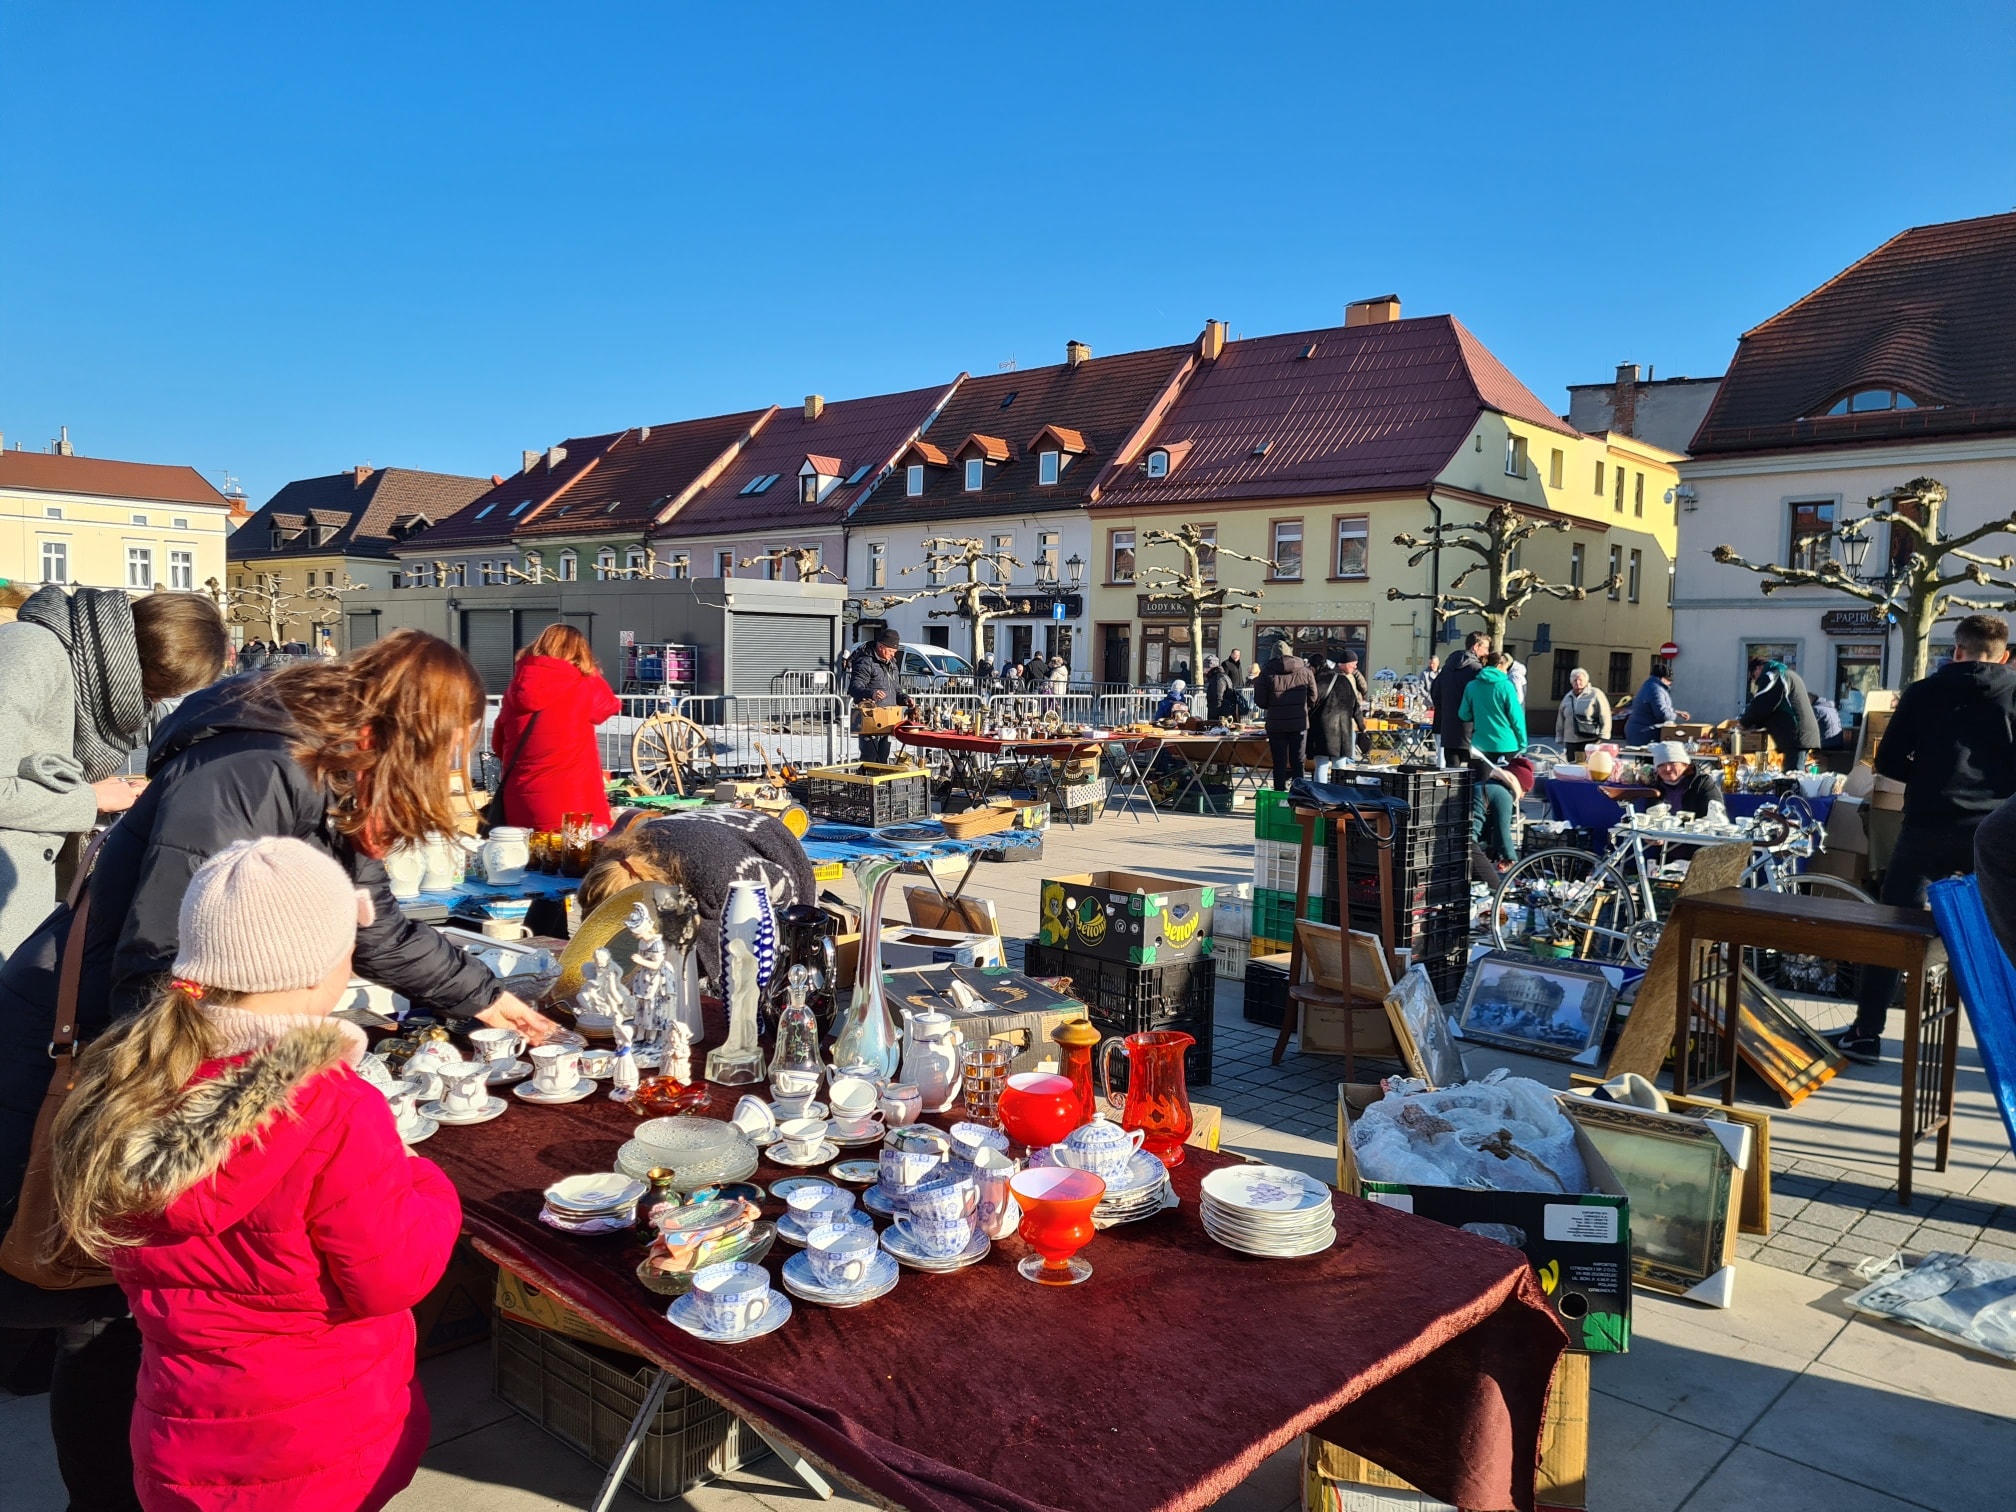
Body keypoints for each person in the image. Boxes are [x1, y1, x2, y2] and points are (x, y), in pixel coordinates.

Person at [0, 630, 556, 1512]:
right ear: (416, 727)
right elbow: (158, 961)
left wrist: (481, 994)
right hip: (98, 1044)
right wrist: (246, 1094)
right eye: (453, 745)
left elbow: (359, 921)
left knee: (169, 1304)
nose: (456, 768)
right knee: (107, 1310)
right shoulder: (256, 765)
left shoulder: (328, 773)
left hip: (166, 1048)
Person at [49, 837, 460, 1512]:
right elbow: (394, 1275)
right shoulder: (333, 1110)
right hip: (317, 1442)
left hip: (184, 1436)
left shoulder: (133, 1080)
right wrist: (426, 1181)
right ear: (317, 969)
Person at [0, 589, 228, 961]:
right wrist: (91, 799)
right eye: (156, 690)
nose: (150, 703)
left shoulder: (79, 670)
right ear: (139, 662)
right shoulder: (31, 653)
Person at [1837, 614, 2016, 1065]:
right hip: (1995, 832)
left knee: (1895, 927)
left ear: (1955, 650)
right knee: (2004, 934)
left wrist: (1929, 772)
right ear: (2005, 656)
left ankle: (1866, 1031)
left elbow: (1891, 762)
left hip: (1927, 826)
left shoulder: (1924, 692)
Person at [580, 809, 818, 989]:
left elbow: (717, 948)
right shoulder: (615, 861)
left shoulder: (720, 878)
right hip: (705, 842)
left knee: (749, 964)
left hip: (768, 845)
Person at [490, 624, 621, 831]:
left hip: (520, 799)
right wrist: (590, 671)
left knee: (528, 860)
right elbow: (608, 706)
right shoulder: (583, 685)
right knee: (577, 859)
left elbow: (498, 744)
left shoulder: (515, 689)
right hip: (573, 800)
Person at [1253, 637, 1317, 789]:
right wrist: (1303, 709)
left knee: (1279, 762)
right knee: (1298, 761)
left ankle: (1279, 795)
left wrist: (1274, 706)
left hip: (1276, 723)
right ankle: (1299, 795)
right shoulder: (1305, 671)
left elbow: (1260, 701)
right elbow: (1314, 697)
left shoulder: (1266, 673)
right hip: (1299, 723)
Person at [1741, 657, 1821, 772]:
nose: (1755, 680)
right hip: (1799, 734)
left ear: (1758, 668)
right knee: (1792, 773)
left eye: (1753, 676)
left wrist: (1744, 723)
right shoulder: (1785, 673)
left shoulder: (1773, 675)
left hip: (1796, 735)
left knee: (1792, 776)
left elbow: (1763, 703)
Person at [845, 627, 911, 763]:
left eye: (895, 652)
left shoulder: (892, 665)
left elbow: (896, 689)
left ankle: (881, 784)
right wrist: (871, 693)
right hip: (870, 720)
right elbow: (854, 688)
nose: (893, 655)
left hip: (888, 721)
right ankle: (865, 783)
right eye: (891, 651)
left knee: (883, 759)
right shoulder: (865, 662)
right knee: (869, 758)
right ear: (881, 646)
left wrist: (905, 699)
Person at [1430, 631, 1489, 764]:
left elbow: (1435, 693)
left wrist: (1446, 709)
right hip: (1470, 729)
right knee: (1471, 775)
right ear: (1475, 647)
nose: (1487, 652)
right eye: (1485, 648)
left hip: (1448, 727)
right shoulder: (1477, 670)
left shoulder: (1447, 667)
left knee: (1452, 774)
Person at [1470, 753, 1535, 873]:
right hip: (1470, 843)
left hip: (1458, 839)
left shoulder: (1485, 785)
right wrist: (1511, 857)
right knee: (1496, 887)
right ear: (1518, 784)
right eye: (1524, 790)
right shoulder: (1503, 795)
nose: (1522, 796)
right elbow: (1502, 830)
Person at [1458, 651, 1526, 762]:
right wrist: (1523, 744)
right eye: (1506, 668)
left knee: (1480, 779)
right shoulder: (1506, 686)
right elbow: (1516, 718)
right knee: (1506, 779)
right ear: (1500, 665)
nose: (1506, 672)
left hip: (1480, 745)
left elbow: (1463, 714)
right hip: (1507, 744)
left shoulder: (1471, 686)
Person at [1306, 656, 1361, 783]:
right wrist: (1361, 726)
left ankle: (1321, 795)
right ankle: (1338, 795)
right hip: (1344, 731)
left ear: (1315, 667)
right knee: (1340, 767)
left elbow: (1310, 703)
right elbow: (1355, 706)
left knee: (1321, 765)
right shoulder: (1344, 680)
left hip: (1323, 730)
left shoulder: (1319, 681)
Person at [1648, 739, 1721, 817]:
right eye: (1661, 765)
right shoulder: (1654, 786)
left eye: (1672, 763)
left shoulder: (1702, 783)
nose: (1667, 769)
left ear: (1685, 765)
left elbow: (1717, 815)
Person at [1622, 662, 1686, 745]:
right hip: (1647, 732)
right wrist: (1674, 715)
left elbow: (1651, 708)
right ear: (1663, 678)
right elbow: (1662, 715)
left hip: (1639, 730)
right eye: (1669, 680)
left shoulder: (1649, 686)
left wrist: (1676, 712)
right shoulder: (1657, 690)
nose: (1670, 684)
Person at [1554, 667, 1612, 757]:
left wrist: (1604, 734)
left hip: (1590, 738)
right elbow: (1561, 718)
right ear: (1571, 682)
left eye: (1580, 680)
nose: (1577, 683)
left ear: (1586, 680)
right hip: (1571, 739)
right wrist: (1559, 736)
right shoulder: (1568, 697)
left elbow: (1605, 714)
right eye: (1574, 680)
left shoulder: (1595, 694)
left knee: (1589, 765)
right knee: (1573, 766)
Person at [1338, 647, 1371, 756]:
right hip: (1345, 718)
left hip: (1348, 717)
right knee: (1347, 753)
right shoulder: (1341, 677)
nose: (1356, 667)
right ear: (1347, 664)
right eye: (1354, 664)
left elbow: (1364, 687)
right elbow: (1363, 688)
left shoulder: (1351, 675)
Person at [1219, 649, 1247, 719]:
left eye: (1238, 655)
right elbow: (1224, 677)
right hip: (1230, 691)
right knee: (1231, 708)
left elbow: (1240, 676)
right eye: (1235, 654)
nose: (1236, 656)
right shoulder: (1226, 664)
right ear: (1231, 654)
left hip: (1239, 690)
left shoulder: (1239, 664)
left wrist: (1243, 685)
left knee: (1240, 708)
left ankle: (1238, 719)